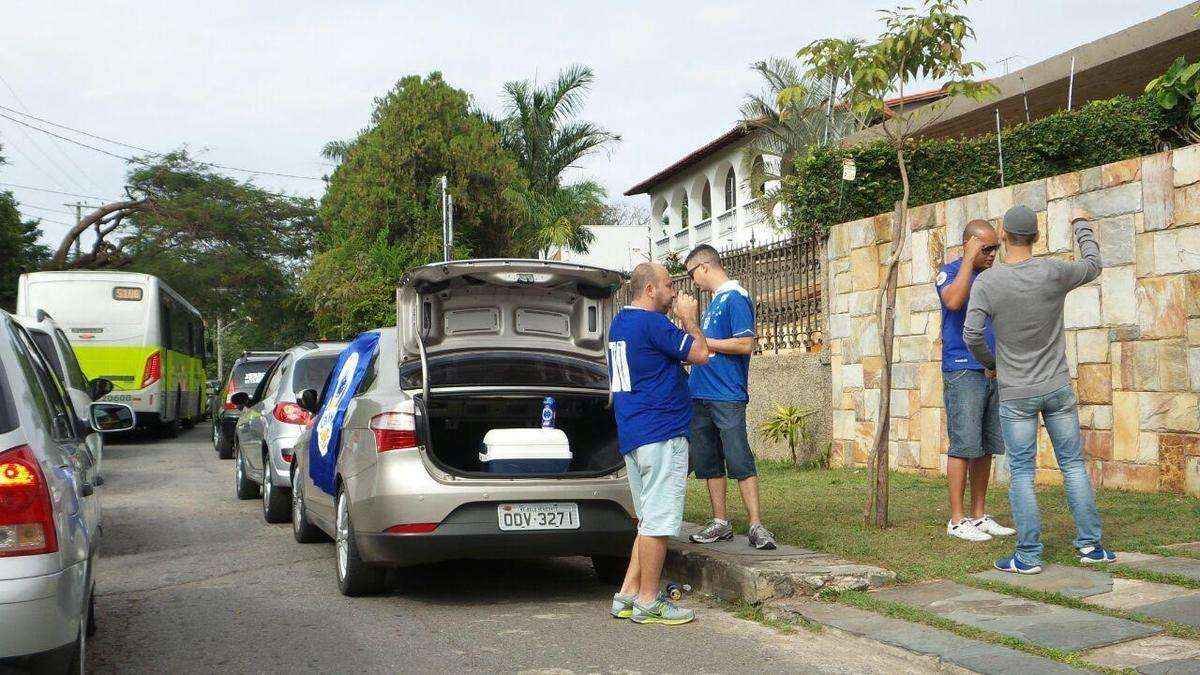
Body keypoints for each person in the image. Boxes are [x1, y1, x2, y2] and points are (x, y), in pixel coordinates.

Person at [964, 204, 1115, 575]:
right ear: (1035, 236)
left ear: (1002, 236)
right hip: (1057, 387)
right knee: (1073, 466)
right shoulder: (1053, 271)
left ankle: (1029, 556)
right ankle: (1091, 547)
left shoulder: (988, 282)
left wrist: (993, 363)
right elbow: (1093, 265)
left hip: (1016, 392)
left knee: (1022, 472)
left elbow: (971, 334)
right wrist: (1082, 224)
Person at [607, 262, 710, 624]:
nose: (672, 292)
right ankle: (650, 601)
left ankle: (627, 594)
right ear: (650, 289)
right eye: (668, 286)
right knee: (660, 524)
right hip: (662, 432)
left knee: (648, 520)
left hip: (634, 432)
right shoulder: (653, 324)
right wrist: (690, 319)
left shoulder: (620, 323)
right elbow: (700, 354)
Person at [682, 245, 777, 551]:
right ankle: (720, 522)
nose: (692, 281)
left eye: (692, 273)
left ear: (705, 267)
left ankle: (755, 524)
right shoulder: (713, 303)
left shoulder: (735, 297)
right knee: (709, 461)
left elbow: (745, 344)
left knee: (738, 456)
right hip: (700, 393)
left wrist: (703, 339)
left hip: (726, 394)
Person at [935, 220, 1015, 542]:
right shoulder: (950, 271)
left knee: (986, 446)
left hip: (992, 370)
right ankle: (957, 520)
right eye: (986, 248)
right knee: (964, 445)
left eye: (996, 247)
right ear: (969, 244)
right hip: (962, 369)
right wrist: (969, 260)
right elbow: (953, 302)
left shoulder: (993, 276)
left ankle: (979, 516)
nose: (993, 253)